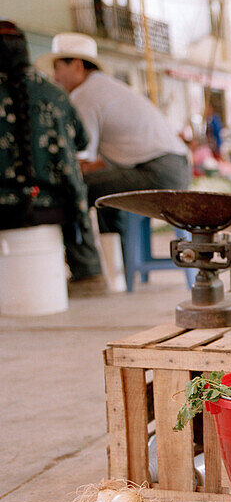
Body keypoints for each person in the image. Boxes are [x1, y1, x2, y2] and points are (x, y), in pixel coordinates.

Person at [36, 33, 190, 260]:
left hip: (158, 172)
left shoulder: (84, 95)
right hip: (176, 168)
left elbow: (80, 158)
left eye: (58, 68)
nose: (55, 77)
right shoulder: (106, 87)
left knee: (71, 190)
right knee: (104, 195)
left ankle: (86, 268)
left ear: (77, 66)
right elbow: (100, 160)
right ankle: (118, 265)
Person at [0, 21, 105, 296]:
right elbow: (81, 142)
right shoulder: (56, 94)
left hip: (4, 208)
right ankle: (88, 272)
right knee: (74, 186)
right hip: (58, 206)